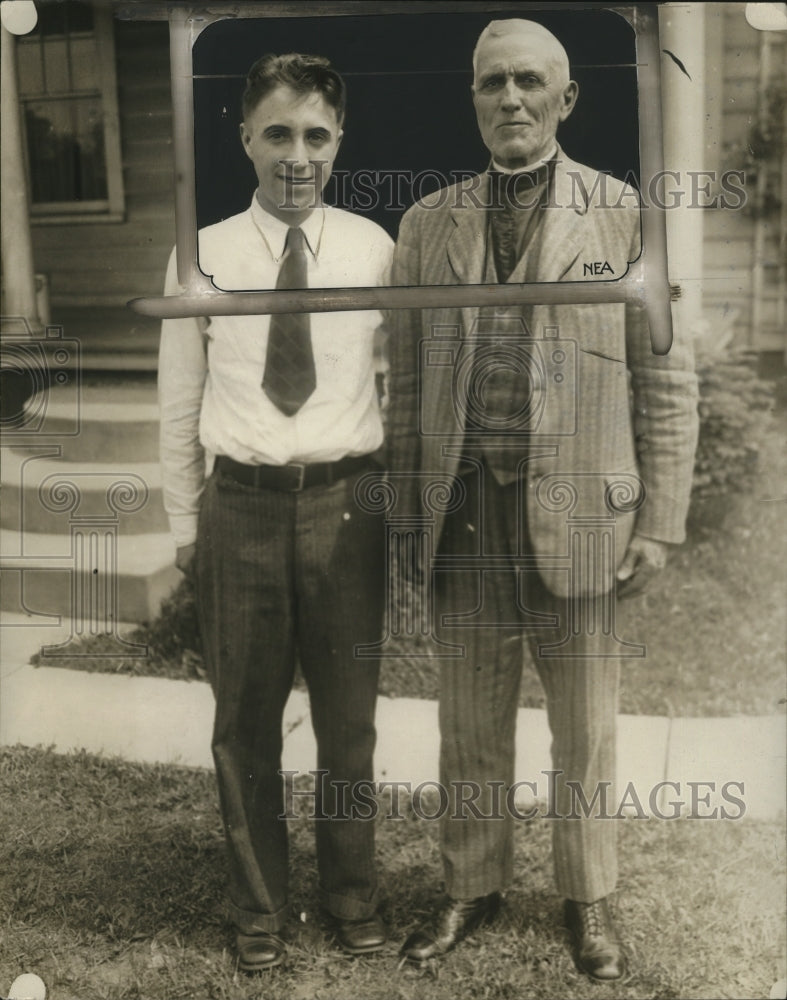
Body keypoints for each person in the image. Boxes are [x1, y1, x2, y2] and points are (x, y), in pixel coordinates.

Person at [386, 19, 699, 981]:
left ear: (565, 100)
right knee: (467, 719)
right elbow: (403, 387)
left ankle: (587, 899)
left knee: (586, 724)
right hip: (466, 508)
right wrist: (408, 517)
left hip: (583, 516)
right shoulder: (425, 223)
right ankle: (469, 887)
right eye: (491, 84)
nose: (509, 100)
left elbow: (667, 379)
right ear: (472, 98)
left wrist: (658, 519)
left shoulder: (623, 216)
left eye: (529, 82)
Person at [158, 53, 393, 973]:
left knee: (349, 720)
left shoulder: (376, 250)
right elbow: (179, 402)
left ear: (339, 142)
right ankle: (258, 911)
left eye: (316, 137)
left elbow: (402, 389)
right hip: (243, 507)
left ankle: (351, 895)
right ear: (245, 136)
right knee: (244, 721)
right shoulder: (201, 250)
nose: (297, 157)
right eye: (277, 134)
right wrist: (186, 527)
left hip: (345, 507)